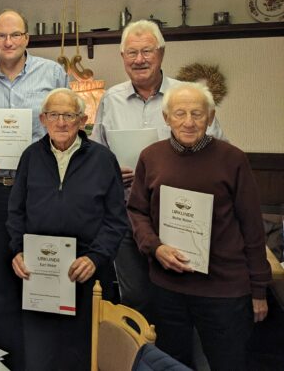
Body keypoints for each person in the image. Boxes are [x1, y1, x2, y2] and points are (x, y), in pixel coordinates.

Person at [127, 82, 270, 370]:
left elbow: (252, 227)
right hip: (168, 288)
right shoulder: (151, 157)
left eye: (197, 113)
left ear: (211, 117)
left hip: (224, 291)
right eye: (179, 113)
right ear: (166, 118)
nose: (189, 122)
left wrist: (259, 290)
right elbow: (137, 212)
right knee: (172, 364)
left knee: (229, 363)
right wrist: (155, 248)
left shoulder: (233, 159)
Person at [90, 19, 225, 319]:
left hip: (181, 217)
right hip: (127, 217)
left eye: (147, 51)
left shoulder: (187, 95)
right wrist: (112, 171)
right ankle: (139, 361)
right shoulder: (110, 100)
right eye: (132, 53)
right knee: (135, 298)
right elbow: (96, 156)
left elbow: (218, 153)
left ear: (161, 53)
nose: (140, 59)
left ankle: (177, 364)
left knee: (181, 302)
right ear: (123, 58)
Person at [0, 9, 68, 369]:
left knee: (40, 273)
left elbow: (67, 122)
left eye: (15, 35)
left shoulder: (52, 73)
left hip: (41, 189)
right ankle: (1, 361)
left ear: (27, 39)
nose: (8, 42)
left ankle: (41, 359)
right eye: (1, 36)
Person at [7, 88, 127, 371]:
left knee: (83, 354)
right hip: (38, 271)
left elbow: (116, 219)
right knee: (40, 354)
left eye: (69, 115)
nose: (61, 122)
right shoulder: (30, 157)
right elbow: (15, 212)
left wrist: (95, 258)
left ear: (82, 119)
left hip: (86, 271)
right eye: (54, 115)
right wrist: (18, 251)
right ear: (43, 119)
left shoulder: (103, 159)